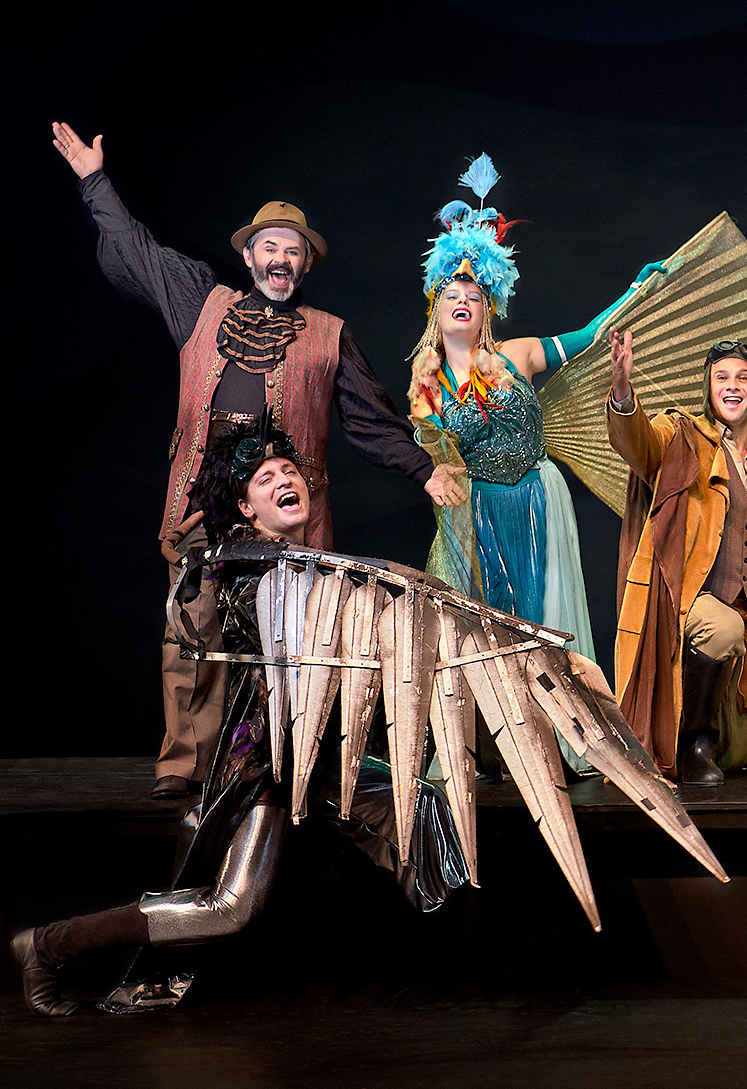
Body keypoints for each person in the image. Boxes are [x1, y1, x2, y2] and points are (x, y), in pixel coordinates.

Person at [10, 419, 466, 1017]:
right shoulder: (246, 569)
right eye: (264, 478)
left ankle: (460, 965)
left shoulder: (317, 568)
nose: (283, 481)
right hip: (265, 760)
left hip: (320, 756)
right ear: (248, 508)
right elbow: (286, 630)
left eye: (289, 472)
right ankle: (46, 945)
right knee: (231, 907)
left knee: (422, 807)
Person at [52, 122, 453, 799]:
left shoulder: (328, 335)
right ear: (249, 256)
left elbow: (370, 419)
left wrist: (424, 469)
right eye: (271, 247)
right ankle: (185, 763)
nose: (281, 259)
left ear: (306, 265)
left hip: (288, 514)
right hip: (202, 501)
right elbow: (139, 252)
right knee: (192, 631)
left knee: (290, 642)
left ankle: (284, 763)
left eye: (293, 251)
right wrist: (95, 183)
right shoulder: (200, 303)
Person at [405, 157, 636, 778]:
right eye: (452, 295)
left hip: (537, 499)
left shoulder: (519, 354)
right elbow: (437, 466)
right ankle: (485, 744)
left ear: (489, 308)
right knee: (478, 630)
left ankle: (553, 738)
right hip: (477, 512)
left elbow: (590, 335)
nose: (463, 303)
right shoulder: (426, 385)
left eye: (474, 297)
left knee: (541, 621)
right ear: (435, 306)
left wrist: (635, 291)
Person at [608, 331, 747, 784]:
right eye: (721, 377)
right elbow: (638, 443)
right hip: (691, 601)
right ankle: (693, 744)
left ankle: (703, 739)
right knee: (723, 628)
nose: (732, 386)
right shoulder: (681, 439)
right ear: (708, 388)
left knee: (739, 755)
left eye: (743, 377)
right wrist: (623, 390)